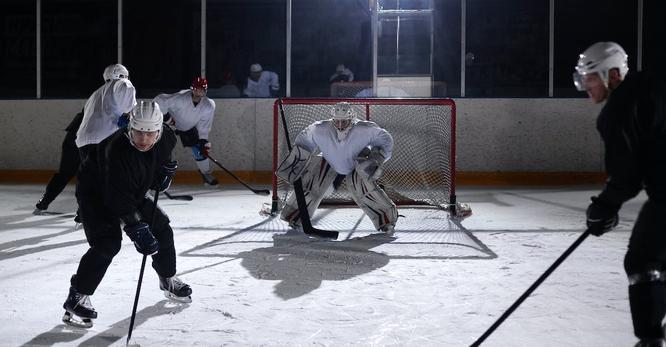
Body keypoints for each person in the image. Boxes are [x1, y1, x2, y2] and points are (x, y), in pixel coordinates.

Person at [62, 101, 191, 328]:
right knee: (107, 243)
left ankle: (167, 278)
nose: (144, 139)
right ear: (129, 128)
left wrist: (164, 175)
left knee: (162, 229)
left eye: (150, 134)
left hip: (130, 189)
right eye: (139, 132)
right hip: (95, 193)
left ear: (159, 131)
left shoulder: (167, 138)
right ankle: (77, 296)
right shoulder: (116, 151)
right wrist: (136, 228)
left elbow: (157, 164)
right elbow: (116, 198)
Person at [574, 41, 666, 347]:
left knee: (642, 262)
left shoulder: (618, 110)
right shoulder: (651, 84)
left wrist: (602, 207)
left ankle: (650, 341)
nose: (585, 85)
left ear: (612, 75)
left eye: (590, 77)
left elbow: (627, 177)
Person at [276, 102, 398, 234]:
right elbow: (304, 140)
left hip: (356, 164)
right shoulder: (320, 128)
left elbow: (385, 139)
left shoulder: (365, 129)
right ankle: (294, 215)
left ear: (352, 120)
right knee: (311, 184)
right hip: (329, 160)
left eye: (344, 122)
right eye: (337, 121)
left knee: (365, 191)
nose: (340, 125)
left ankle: (386, 220)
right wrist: (297, 159)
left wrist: (377, 157)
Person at [153, 77, 218, 185]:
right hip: (169, 126)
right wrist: (166, 117)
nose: (198, 92)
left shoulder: (209, 105)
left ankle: (205, 173)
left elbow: (204, 124)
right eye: (197, 89)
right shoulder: (181, 98)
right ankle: (157, 173)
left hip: (187, 127)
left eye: (201, 89)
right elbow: (160, 100)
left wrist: (203, 139)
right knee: (164, 148)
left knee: (200, 149)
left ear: (205, 91)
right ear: (192, 89)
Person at [76, 63, 136, 163]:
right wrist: (130, 116)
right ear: (123, 75)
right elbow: (129, 109)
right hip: (107, 139)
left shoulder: (95, 94)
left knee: (93, 177)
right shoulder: (122, 82)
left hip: (84, 142)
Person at [33, 110, 83, 215]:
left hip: (74, 137)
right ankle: (83, 210)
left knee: (66, 174)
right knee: (86, 175)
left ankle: (43, 202)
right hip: (83, 137)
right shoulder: (112, 101)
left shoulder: (98, 98)